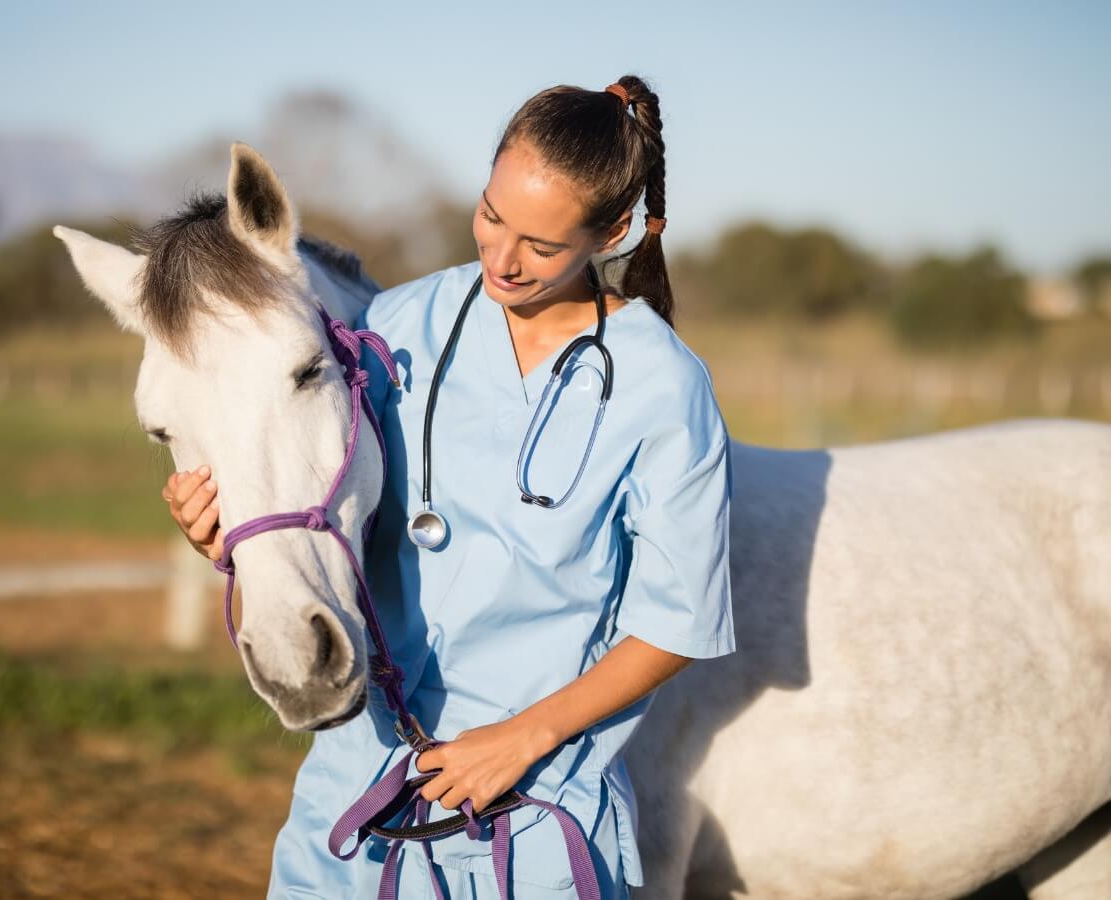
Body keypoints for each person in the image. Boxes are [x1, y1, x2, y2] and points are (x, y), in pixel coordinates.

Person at [163, 75, 736, 899]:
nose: (501, 260)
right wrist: (224, 534)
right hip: (357, 794)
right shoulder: (390, 329)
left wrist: (521, 739)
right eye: (491, 216)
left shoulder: (663, 386)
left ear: (612, 232)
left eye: (540, 245)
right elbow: (319, 505)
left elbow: (677, 623)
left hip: (531, 808)